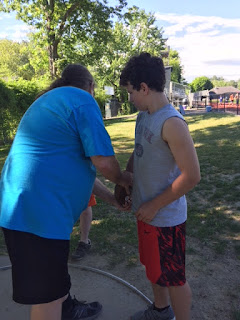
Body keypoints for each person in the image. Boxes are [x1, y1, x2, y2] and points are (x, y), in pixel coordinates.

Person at [0, 63, 132, 320]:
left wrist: (113, 201)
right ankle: (60, 309)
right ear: (91, 87)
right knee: (46, 299)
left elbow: (78, 171)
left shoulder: (55, 101)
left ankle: (68, 309)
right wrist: (123, 179)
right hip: (36, 214)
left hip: (25, 208)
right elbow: (104, 162)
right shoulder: (82, 101)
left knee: (53, 279)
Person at [119, 52, 201, 320]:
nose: (130, 99)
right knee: (154, 269)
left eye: (131, 92)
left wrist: (154, 205)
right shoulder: (144, 116)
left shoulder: (172, 123)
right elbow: (139, 149)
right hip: (146, 213)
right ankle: (161, 310)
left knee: (174, 277)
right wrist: (127, 178)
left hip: (165, 217)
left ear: (144, 88)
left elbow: (191, 176)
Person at [72, 179, 125, 260]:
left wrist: (114, 200)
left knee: (85, 207)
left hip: (78, 180)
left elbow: (91, 177)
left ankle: (84, 241)